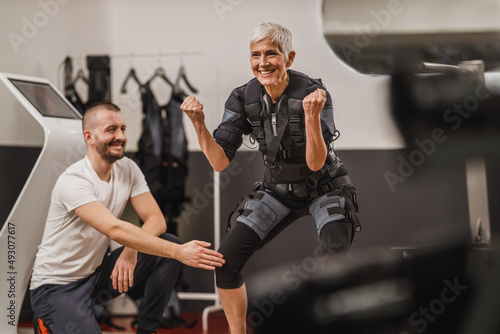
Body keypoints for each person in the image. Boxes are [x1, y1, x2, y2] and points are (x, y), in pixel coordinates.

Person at [181, 22, 361, 334]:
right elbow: (220, 161)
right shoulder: (242, 97)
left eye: (271, 54)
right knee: (225, 262)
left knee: (336, 259)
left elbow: (316, 164)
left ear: (289, 58)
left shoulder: (314, 94)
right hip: (278, 191)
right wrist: (198, 123)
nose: (262, 62)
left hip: (325, 188)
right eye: (256, 55)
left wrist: (311, 117)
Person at [30, 102, 225, 334]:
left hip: (95, 276)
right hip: (55, 288)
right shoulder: (73, 181)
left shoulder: (128, 168)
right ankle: (46, 322)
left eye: (122, 129)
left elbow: (156, 220)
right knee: (174, 250)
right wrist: (181, 253)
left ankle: (147, 330)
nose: (120, 136)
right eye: (111, 129)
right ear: (89, 137)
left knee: (168, 245)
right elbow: (114, 229)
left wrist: (130, 251)